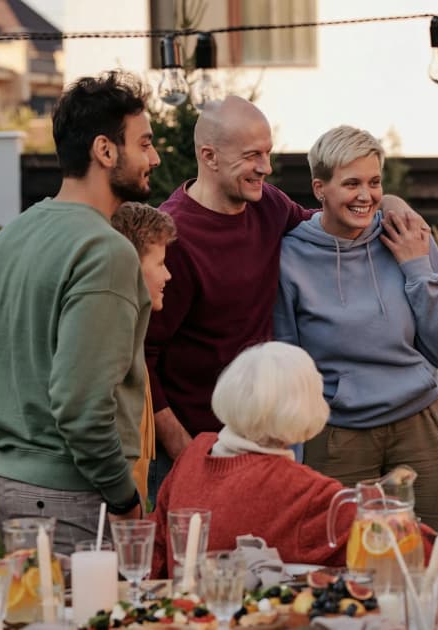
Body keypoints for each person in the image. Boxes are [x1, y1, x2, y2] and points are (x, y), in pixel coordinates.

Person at [144, 97, 422, 505]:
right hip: (199, 447)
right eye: (252, 156)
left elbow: (325, 220)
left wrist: (391, 203)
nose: (267, 167)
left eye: (268, 153)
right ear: (210, 156)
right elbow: (142, 358)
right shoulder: (176, 238)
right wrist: (185, 452)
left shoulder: (267, 204)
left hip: (271, 441)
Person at [0, 71, 160, 554]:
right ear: (105, 150)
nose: (154, 158)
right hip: (74, 494)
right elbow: (80, 405)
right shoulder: (106, 251)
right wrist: (123, 496)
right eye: (145, 143)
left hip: (7, 482)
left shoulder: (8, 237)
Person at [273, 125, 438, 536]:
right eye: (351, 183)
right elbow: (287, 361)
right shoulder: (290, 256)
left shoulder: (406, 234)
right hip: (336, 433)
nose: (366, 195)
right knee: (338, 560)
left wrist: (417, 267)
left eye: (374, 182)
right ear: (320, 188)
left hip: (422, 422)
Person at [149, 341, 356, 578]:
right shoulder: (310, 491)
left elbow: (155, 551)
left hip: (180, 607)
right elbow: (384, 541)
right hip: (256, 610)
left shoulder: (195, 451)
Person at [110, 202, 176, 501]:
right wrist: (123, 501)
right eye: (160, 263)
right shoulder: (111, 336)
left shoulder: (135, 329)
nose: (168, 276)